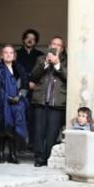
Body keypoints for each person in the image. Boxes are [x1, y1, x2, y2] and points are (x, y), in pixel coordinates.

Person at [29, 36, 67, 166]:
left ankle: (48, 157)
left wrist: (57, 64)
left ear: (62, 49)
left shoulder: (67, 62)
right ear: (49, 46)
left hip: (57, 103)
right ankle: (39, 158)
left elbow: (69, 77)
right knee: (39, 131)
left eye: (59, 45)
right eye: (53, 44)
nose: (55, 46)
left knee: (52, 133)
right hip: (40, 101)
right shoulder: (40, 59)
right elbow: (33, 76)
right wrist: (45, 63)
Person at [0, 44, 28, 163]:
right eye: (6, 52)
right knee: (2, 128)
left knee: (14, 129)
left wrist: (19, 96)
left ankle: (13, 154)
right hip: (2, 103)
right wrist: (5, 98)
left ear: (14, 56)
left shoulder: (19, 68)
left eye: (11, 53)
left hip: (17, 104)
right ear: (1, 55)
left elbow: (25, 85)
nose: (8, 55)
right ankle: (0, 154)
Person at [18, 29, 43, 150]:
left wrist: (36, 84)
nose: (30, 40)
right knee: (19, 118)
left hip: (35, 91)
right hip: (19, 90)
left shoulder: (40, 55)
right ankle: (20, 145)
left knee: (34, 118)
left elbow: (42, 74)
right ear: (23, 39)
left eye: (33, 38)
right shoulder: (17, 54)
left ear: (36, 42)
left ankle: (33, 143)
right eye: (28, 37)